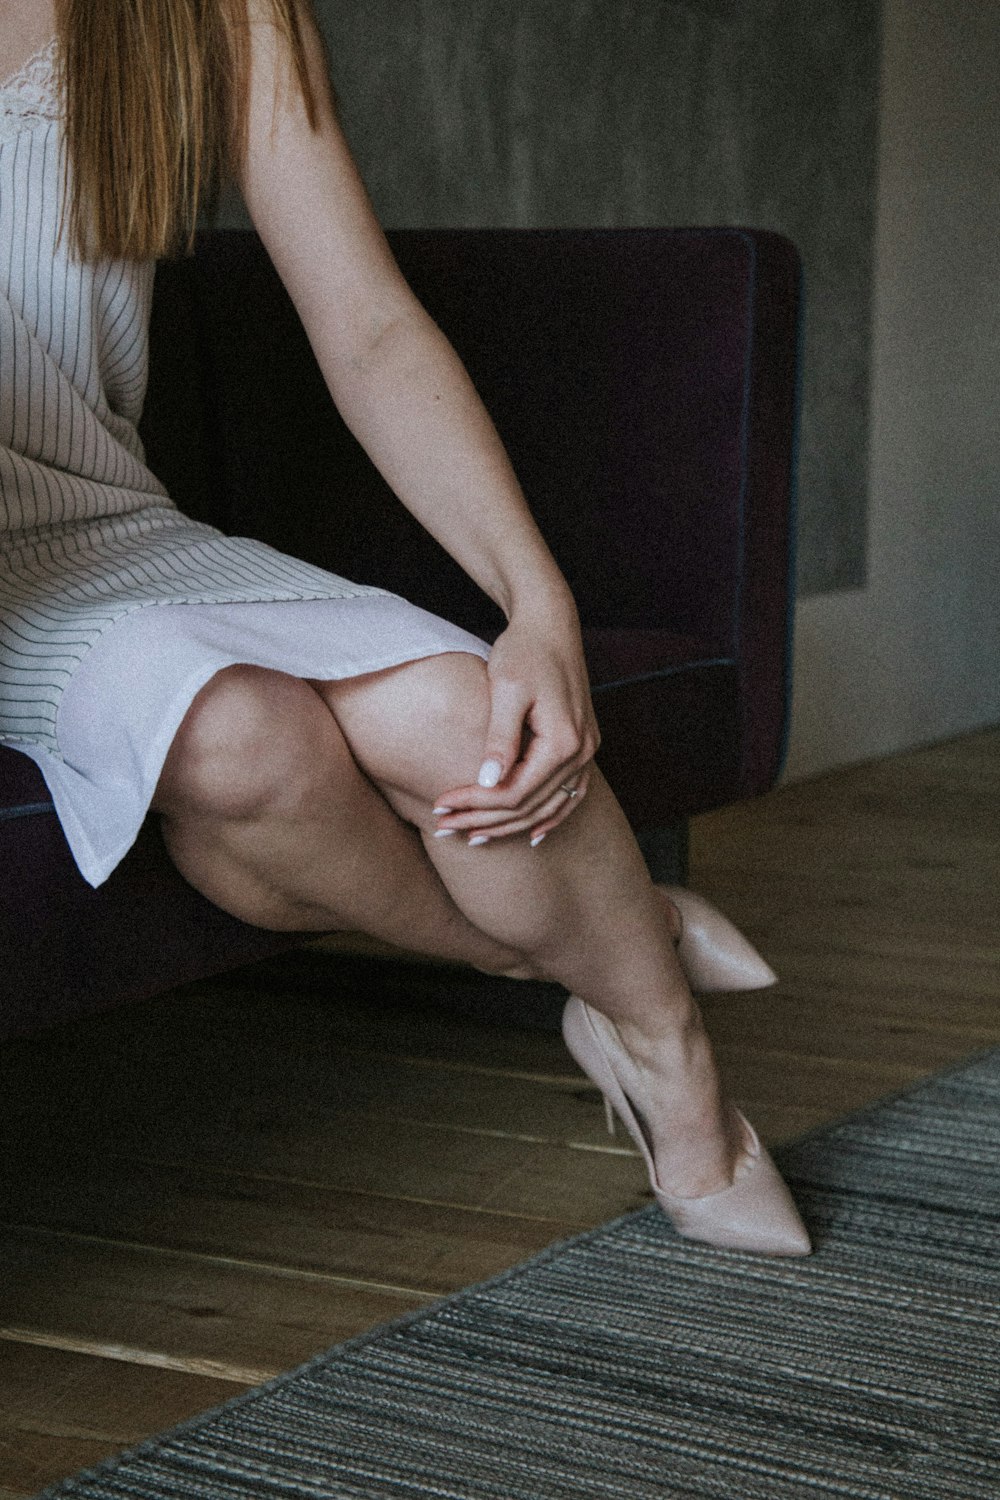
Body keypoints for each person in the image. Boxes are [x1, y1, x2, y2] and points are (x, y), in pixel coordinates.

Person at [0, 0, 809, 1256]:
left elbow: (366, 325)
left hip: (110, 525)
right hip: (10, 597)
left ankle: (667, 1057)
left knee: (459, 708)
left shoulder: (214, 13)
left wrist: (537, 607)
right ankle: (597, 960)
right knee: (225, 728)